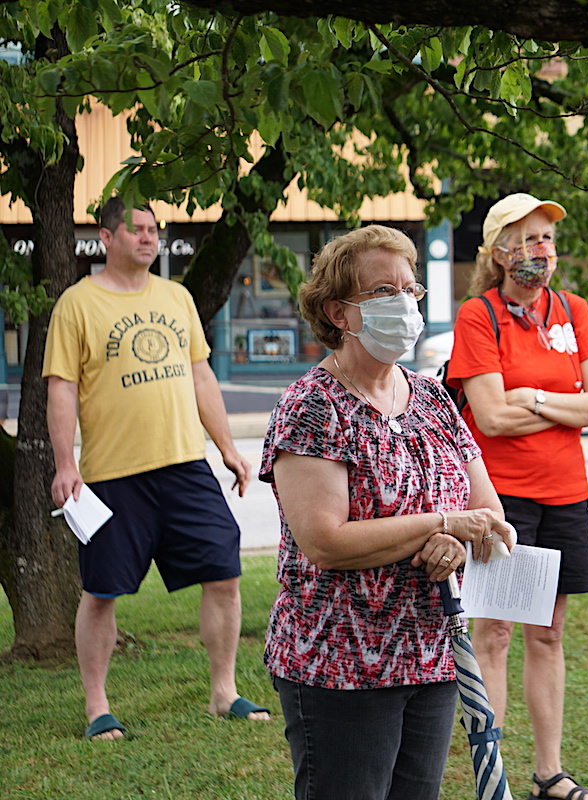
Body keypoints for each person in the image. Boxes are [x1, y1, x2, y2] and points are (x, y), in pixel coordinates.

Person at [260, 224, 514, 800]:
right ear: (338, 313)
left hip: (433, 654)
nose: (403, 303)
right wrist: (441, 525)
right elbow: (325, 542)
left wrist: (458, 541)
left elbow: (487, 512)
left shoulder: (431, 396)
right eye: (382, 292)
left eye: (410, 288)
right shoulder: (312, 406)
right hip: (340, 660)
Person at [44, 197, 268, 741]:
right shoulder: (77, 304)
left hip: (185, 466)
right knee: (101, 591)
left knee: (224, 573)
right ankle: (97, 707)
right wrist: (65, 464)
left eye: (153, 229)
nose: (149, 238)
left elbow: (201, 377)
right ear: (107, 237)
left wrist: (227, 448)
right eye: (137, 229)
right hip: (113, 476)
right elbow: (62, 388)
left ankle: (223, 692)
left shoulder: (176, 297)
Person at [445, 193, 588, 800]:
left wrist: (532, 399)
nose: (543, 249)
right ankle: (492, 781)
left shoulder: (574, 309)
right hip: (503, 499)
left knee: (549, 633)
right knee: (494, 633)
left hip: (566, 495)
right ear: (499, 253)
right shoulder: (478, 316)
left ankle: (549, 775)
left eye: (548, 238)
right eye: (529, 239)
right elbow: (490, 418)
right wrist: (564, 407)